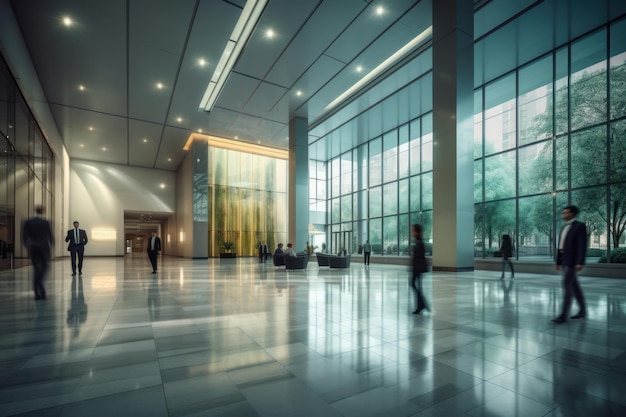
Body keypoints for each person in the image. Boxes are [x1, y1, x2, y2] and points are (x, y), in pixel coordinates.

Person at [552, 205, 587, 324]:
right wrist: (558, 262)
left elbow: (582, 245)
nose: (563, 215)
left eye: (566, 213)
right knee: (575, 286)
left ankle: (563, 315)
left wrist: (580, 261)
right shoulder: (563, 228)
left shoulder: (579, 226)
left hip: (572, 261)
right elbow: (560, 246)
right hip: (564, 259)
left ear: (572, 214)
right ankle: (582, 310)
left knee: (566, 285)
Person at [22, 207, 54, 300]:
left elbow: (24, 237)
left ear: (35, 211)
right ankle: (40, 285)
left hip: (33, 248)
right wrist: (51, 246)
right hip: (44, 248)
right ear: (43, 212)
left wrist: (28, 246)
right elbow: (50, 236)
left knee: (36, 269)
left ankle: (37, 291)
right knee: (45, 267)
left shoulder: (28, 222)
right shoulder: (45, 222)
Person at [410, 224, 429, 314]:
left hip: (417, 268)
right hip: (418, 268)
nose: (412, 232)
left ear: (417, 232)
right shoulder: (419, 241)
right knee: (416, 286)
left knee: (413, 284)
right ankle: (421, 305)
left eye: (413, 231)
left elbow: (419, 256)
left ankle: (421, 305)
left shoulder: (419, 242)